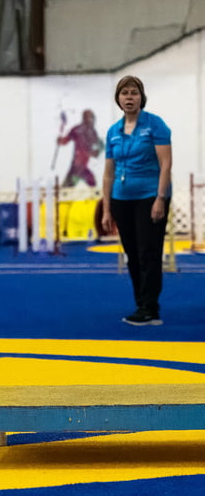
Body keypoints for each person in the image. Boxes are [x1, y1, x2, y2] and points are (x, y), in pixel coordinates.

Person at [101, 75, 172, 326]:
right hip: (122, 198)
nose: (129, 97)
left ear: (141, 97)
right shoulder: (113, 131)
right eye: (124, 93)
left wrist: (160, 198)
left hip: (150, 195)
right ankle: (141, 303)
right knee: (132, 252)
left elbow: (166, 164)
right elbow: (108, 173)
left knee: (149, 252)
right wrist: (107, 209)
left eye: (134, 93)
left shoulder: (155, 125)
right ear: (118, 99)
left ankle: (150, 306)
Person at [57, 109, 104, 188]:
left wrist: (61, 140)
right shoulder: (88, 132)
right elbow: (95, 153)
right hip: (79, 166)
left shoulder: (84, 130)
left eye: (92, 118)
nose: (91, 120)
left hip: (78, 165)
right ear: (85, 119)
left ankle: (63, 192)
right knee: (90, 182)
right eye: (90, 118)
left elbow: (65, 140)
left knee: (70, 185)